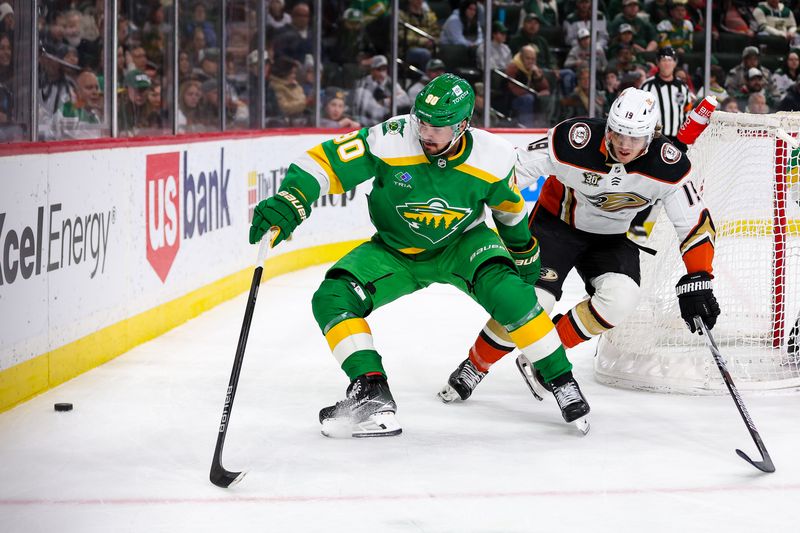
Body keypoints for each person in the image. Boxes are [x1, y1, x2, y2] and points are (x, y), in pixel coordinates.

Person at [248, 74, 581, 437]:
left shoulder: (494, 156)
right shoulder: (390, 138)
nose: (426, 132)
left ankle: (562, 381)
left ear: (464, 125)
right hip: (395, 251)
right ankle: (372, 392)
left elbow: (509, 210)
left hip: (464, 246)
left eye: (439, 126)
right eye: (421, 121)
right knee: (332, 298)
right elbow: (323, 163)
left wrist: (523, 249)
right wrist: (293, 198)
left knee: (514, 295)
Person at [444, 88, 719, 406]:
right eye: (618, 133)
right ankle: (476, 365)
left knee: (620, 300)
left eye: (635, 137)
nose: (625, 145)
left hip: (611, 238)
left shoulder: (667, 165)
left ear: (652, 135)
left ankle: (546, 354)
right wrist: (468, 203)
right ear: (608, 125)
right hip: (554, 227)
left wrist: (699, 275)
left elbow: (695, 223)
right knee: (531, 304)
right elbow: (513, 171)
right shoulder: (575, 139)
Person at [641, 46, 692, 150]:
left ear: (675, 62)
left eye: (670, 60)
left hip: (678, 140)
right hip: (654, 139)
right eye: (664, 60)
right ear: (658, 62)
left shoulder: (682, 87)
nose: (667, 63)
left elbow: (687, 111)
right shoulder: (647, 86)